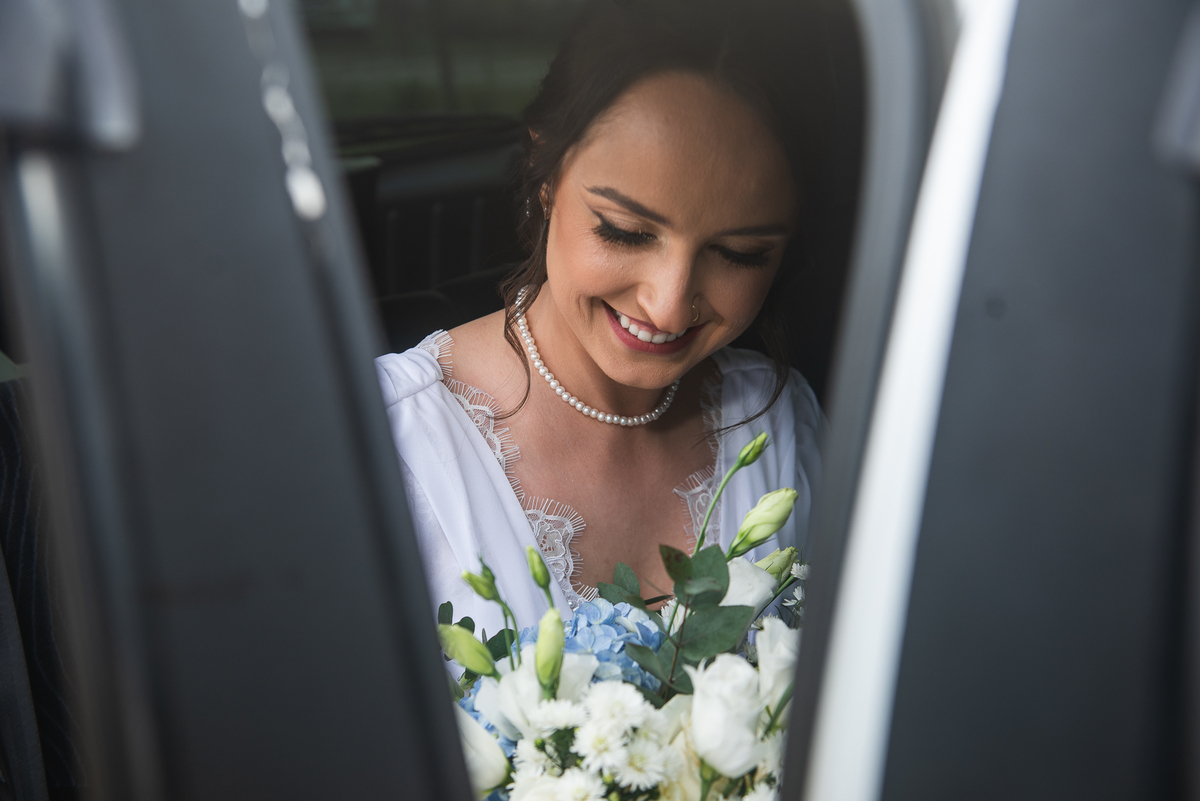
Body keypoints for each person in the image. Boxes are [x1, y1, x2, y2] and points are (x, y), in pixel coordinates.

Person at [375, 0, 826, 638]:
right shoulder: (389, 443)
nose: (667, 305)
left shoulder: (781, 423)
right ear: (545, 175)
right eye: (624, 232)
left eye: (738, 254)